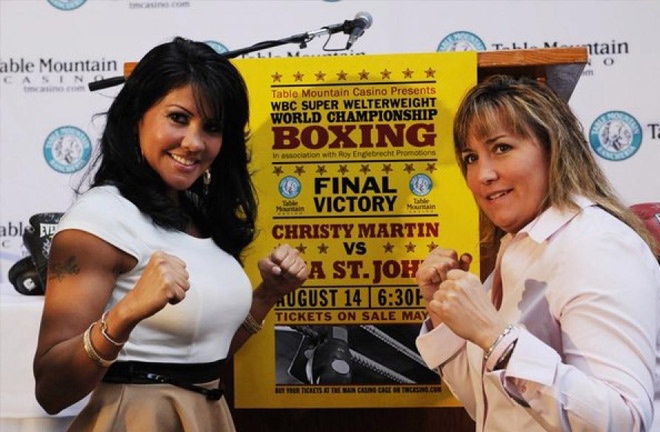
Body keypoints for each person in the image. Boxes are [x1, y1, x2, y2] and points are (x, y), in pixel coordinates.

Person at [33, 37, 309, 431]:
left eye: (211, 128)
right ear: (136, 117)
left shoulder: (195, 213)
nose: (194, 143)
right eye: (178, 118)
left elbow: (194, 360)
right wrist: (125, 314)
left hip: (205, 413)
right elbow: (52, 390)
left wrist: (266, 295)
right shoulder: (99, 219)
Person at [415, 75, 660, 431]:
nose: (482, 174)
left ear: (554, 147)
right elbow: (491, 409)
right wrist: (446, 318)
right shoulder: (519, 246)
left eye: (501, 148)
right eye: (470, 157)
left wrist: (495, 336)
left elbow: (624, 420)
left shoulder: (597, 245)